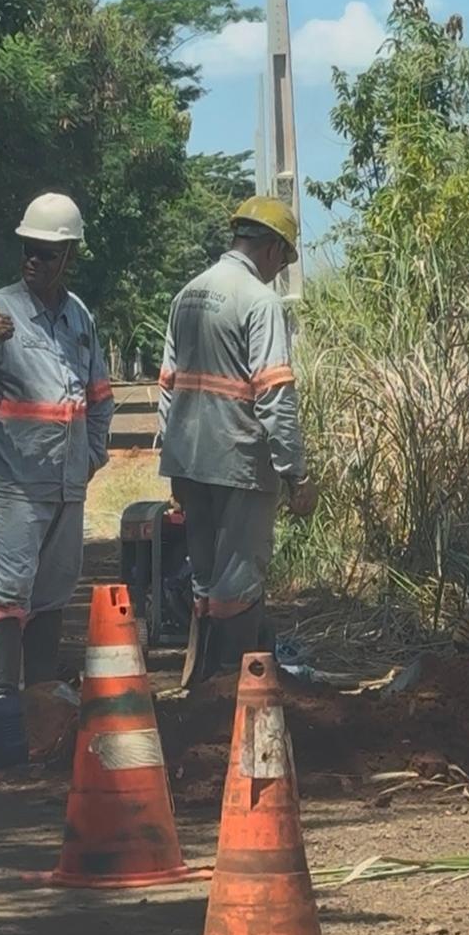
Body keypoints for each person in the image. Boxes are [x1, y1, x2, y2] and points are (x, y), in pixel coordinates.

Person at [0, 192, 114, 688]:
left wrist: (92, 455)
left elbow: (99, 397)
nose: (34, 260)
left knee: (55, 590)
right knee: (9, 588)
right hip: (18, 486)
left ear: (69, 257)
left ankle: (41, 700)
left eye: (46, 252)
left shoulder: (78, 316)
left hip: (67, 487)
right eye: (28, 249)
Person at [157, 196, 315, 683]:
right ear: (271, 249)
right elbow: (274, 398)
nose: (279, 271)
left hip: (189, 461)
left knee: (205, 581)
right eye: (283, 260)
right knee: (239, 584)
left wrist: (174, 456)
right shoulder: (259, 301)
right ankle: (231, 691)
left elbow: (167, 384)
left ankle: (202, 688)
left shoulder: (189, 293)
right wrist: (297, 473)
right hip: (240, 463)